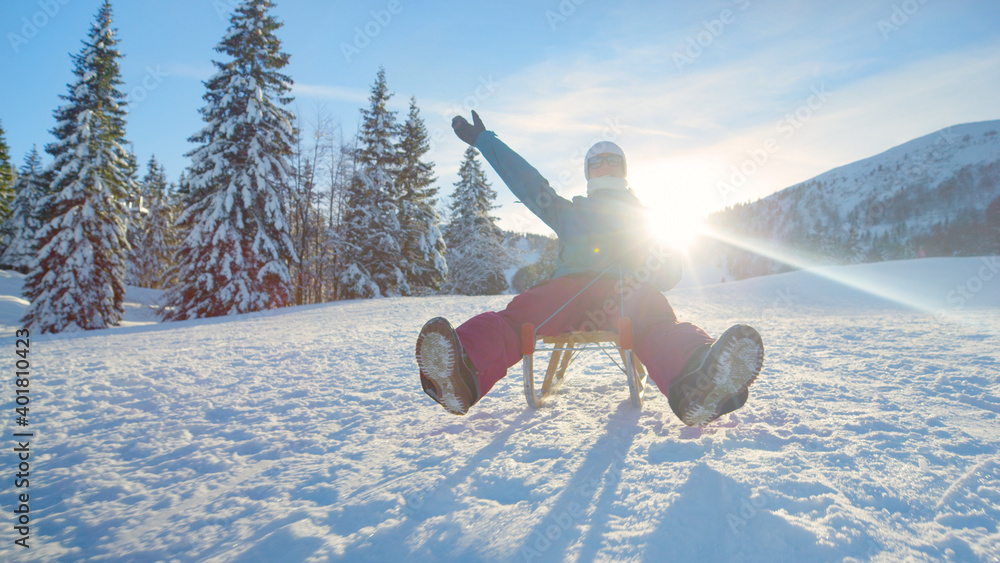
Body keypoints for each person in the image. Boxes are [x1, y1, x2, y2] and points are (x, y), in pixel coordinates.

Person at [415, 111, 764, 427]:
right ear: (587, 172)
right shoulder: (569, 213)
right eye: (597, 161)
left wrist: (660, 253)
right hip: (571, 293)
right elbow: (529, 183)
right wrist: (485, 141)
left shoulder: (647, 221)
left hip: (626, 294)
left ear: (623, 170)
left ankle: (700, 382)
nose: (605, 165)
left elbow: (669, 277)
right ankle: (460, 370)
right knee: (522, 315)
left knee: (655, 322)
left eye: (613, 160)